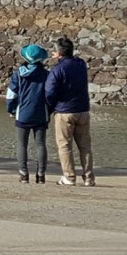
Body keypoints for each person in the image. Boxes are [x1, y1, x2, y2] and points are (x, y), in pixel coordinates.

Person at [45, 37, 95, 187]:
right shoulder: (81, 64)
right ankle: (89, 178)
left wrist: (50, 107)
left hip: (64, 111)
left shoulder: (57, 70)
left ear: (58, 53)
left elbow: (49, 91)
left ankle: (69, 177)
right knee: (85, 145)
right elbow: (72, 60)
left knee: (64, 145)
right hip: (83, 110)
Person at [6, 43, 50, 183]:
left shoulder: (18, 74)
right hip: (41, 114)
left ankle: (23, 174)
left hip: (23, 114)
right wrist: (49, 110)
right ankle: (41, 175)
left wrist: (11, 109)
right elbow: (51, 95)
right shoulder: (46, 75)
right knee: (41, 144)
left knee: (21, 144)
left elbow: (11, 95)